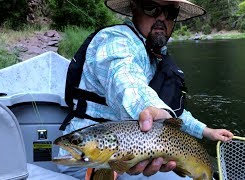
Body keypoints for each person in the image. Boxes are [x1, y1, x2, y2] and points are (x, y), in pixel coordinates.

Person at [58, 0, 234, 179]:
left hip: (136, 151)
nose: (161, 17)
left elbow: (170, 110)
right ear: (134, 9)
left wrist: (206, 131)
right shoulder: (115, 40)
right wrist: (146, 109)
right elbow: (126, 79)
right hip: (89, 160)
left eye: (170, 12)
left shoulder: (156, 56)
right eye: (151, 8)